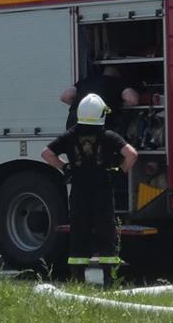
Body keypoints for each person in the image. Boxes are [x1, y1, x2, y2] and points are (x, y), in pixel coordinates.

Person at [43, 94, 138, 285]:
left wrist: (65, 168)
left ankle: (78, 279)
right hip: (103, 191)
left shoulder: (70, 135)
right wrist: (120, 172)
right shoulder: (109, 136)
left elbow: (47, 153)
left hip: (79, 191)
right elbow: (131, 154)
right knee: (106, 232)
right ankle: (108, 280)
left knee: (79, 232)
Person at [60, 64, 141, 131]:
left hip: (74, 122)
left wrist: (82, 104)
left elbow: (65, 97)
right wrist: (120, 104)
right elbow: (133, 100)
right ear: (119, 74)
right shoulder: (117, 82)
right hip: (97, 124)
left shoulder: (86, 81)